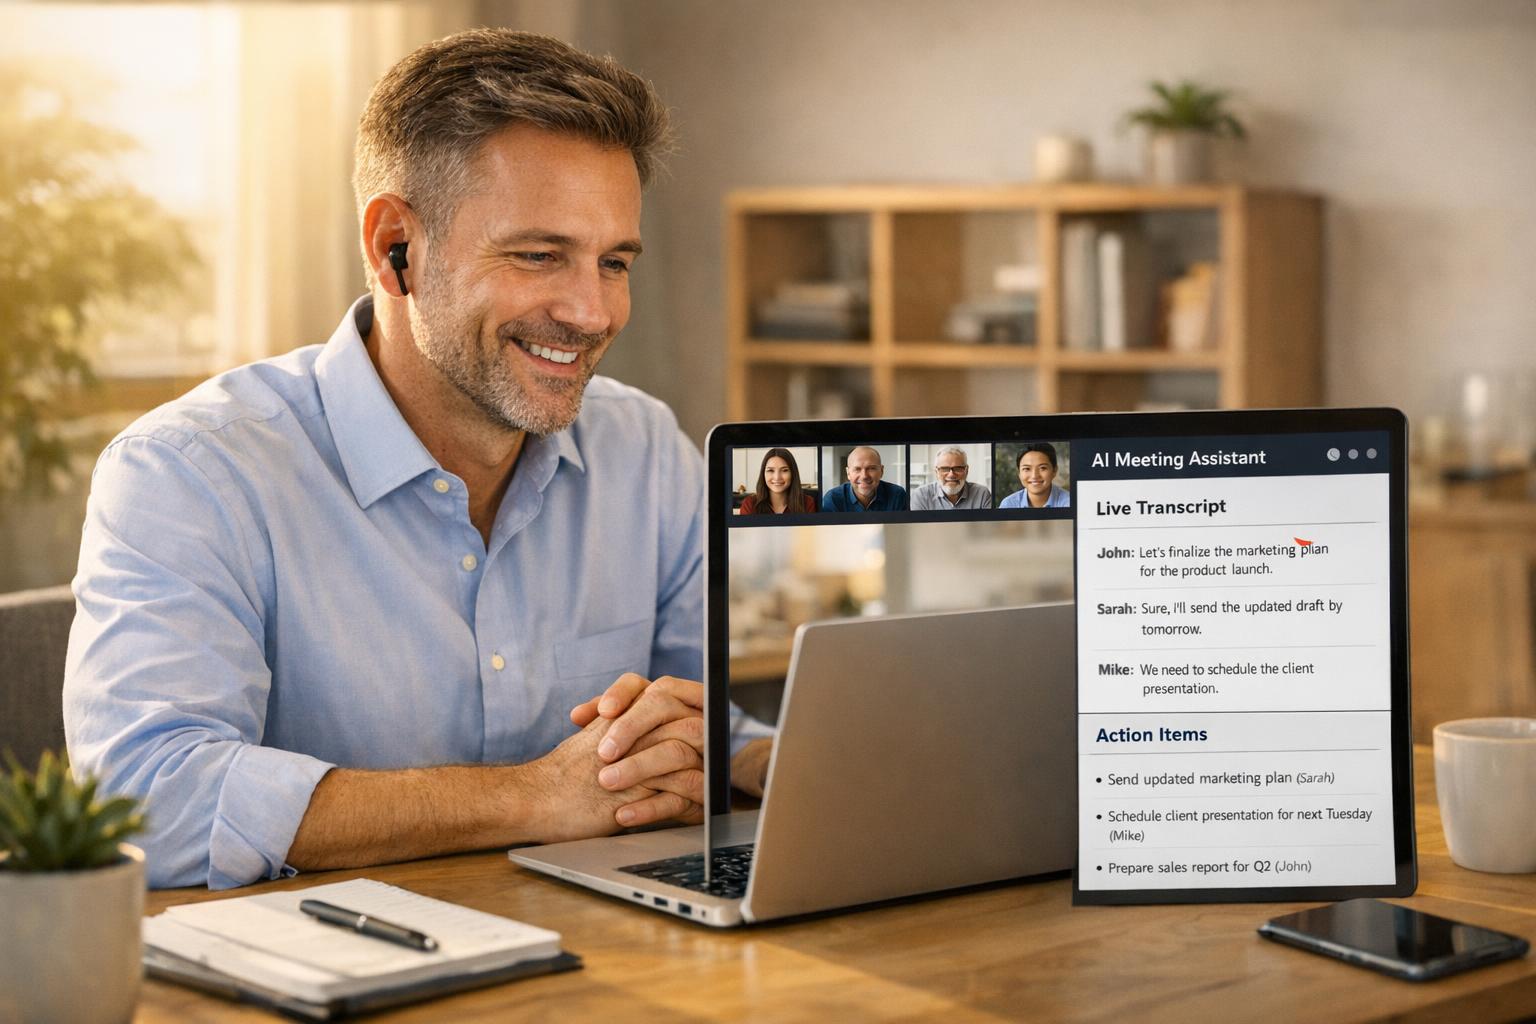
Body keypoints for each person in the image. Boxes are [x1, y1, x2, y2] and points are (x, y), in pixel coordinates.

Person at [62, 29, 772, 890]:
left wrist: (779, 761)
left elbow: (697, 726)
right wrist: (534, 798)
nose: (591, 313)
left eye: (613, 261)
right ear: (395, 245)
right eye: (538, 255)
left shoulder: (645, 451)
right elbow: (146, 802)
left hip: (611, 960)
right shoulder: (189, 474)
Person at [821, 446, 909, 512]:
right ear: (848, 473)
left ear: (881, 471)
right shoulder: (833, 499)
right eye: (857, 469)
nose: (864, 476)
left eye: (871, 468)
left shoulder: (897, 495)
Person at [911, 446, 992, 510]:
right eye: (945, 469)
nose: (951, 474)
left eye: (958, 468)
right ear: (936, 472)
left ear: (966, 471)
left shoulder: (982, 494)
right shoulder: (921, 496)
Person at [739, 448, 816, 514]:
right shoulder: (749, 504)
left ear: (793, 473)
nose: (777, 477)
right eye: (771, 470)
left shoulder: (807, 503)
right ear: (763, 474)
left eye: (784, 470)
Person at [998, 443, 1071, 508]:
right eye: (1027, 469)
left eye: (1042, 468)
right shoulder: (1008, 505)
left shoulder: (1069, 502)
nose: (1034, 476)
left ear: (1054, 471)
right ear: (1019, 473)